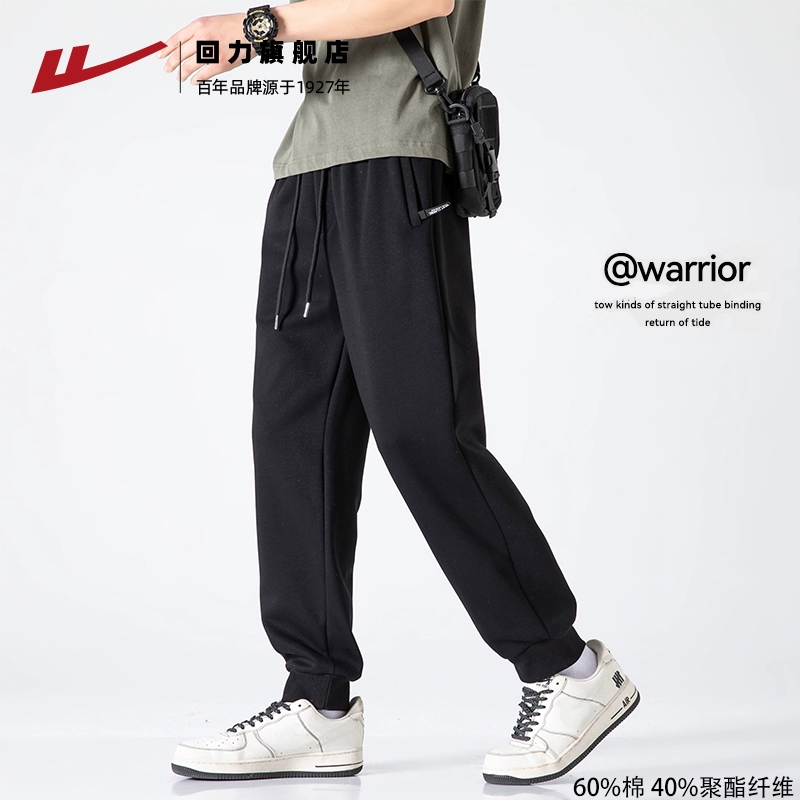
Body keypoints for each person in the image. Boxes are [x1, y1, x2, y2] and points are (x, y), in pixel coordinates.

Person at [158, 0, 639, 785]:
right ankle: (317, 701)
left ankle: (570, 668)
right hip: (307, 171)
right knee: (292, 439)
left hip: (397, 163)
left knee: (424, 429)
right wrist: (259, 37)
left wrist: (257, 27)